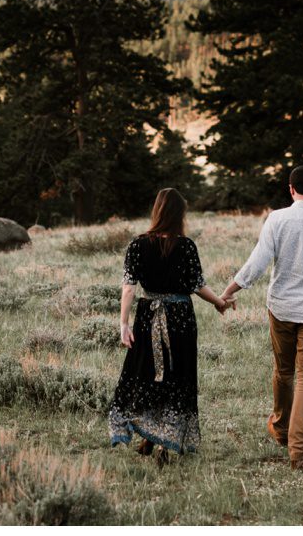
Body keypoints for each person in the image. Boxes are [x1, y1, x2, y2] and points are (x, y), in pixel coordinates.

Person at [219, 165, 303, 469]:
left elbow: (257, 263)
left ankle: (281, 429)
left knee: (283, 371)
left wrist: (229, 290)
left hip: (281, 308)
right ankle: (299, 452)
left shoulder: (277, 219)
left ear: (291, 189)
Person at [107, 187, 232, 465]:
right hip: (180, 318)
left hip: (147, 316)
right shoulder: (186, 246)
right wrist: (219, 302)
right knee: (177, 376)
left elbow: (128, 288)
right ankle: (164, 441)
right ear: (179, 215)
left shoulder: (138, 245)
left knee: (148, 374)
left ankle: (150, 437)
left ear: (157, 210)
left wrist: (123, 324)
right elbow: (197, 285)